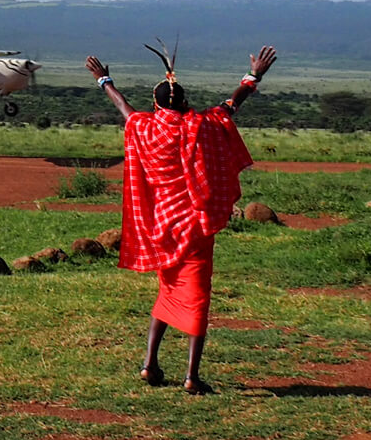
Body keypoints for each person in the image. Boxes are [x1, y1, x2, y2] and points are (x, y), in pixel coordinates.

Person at [84, 43, 277, 395]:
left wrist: (103, 80)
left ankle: (149, 363)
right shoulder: (201, 126)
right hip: (196, 226)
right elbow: (231, 106)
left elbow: (123, 107)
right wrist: (254, 75)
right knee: (198, 295)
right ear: (185, 102)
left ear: (156, 105)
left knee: (169, 290)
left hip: (163, 226)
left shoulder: (144, 127)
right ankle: (191, 376)